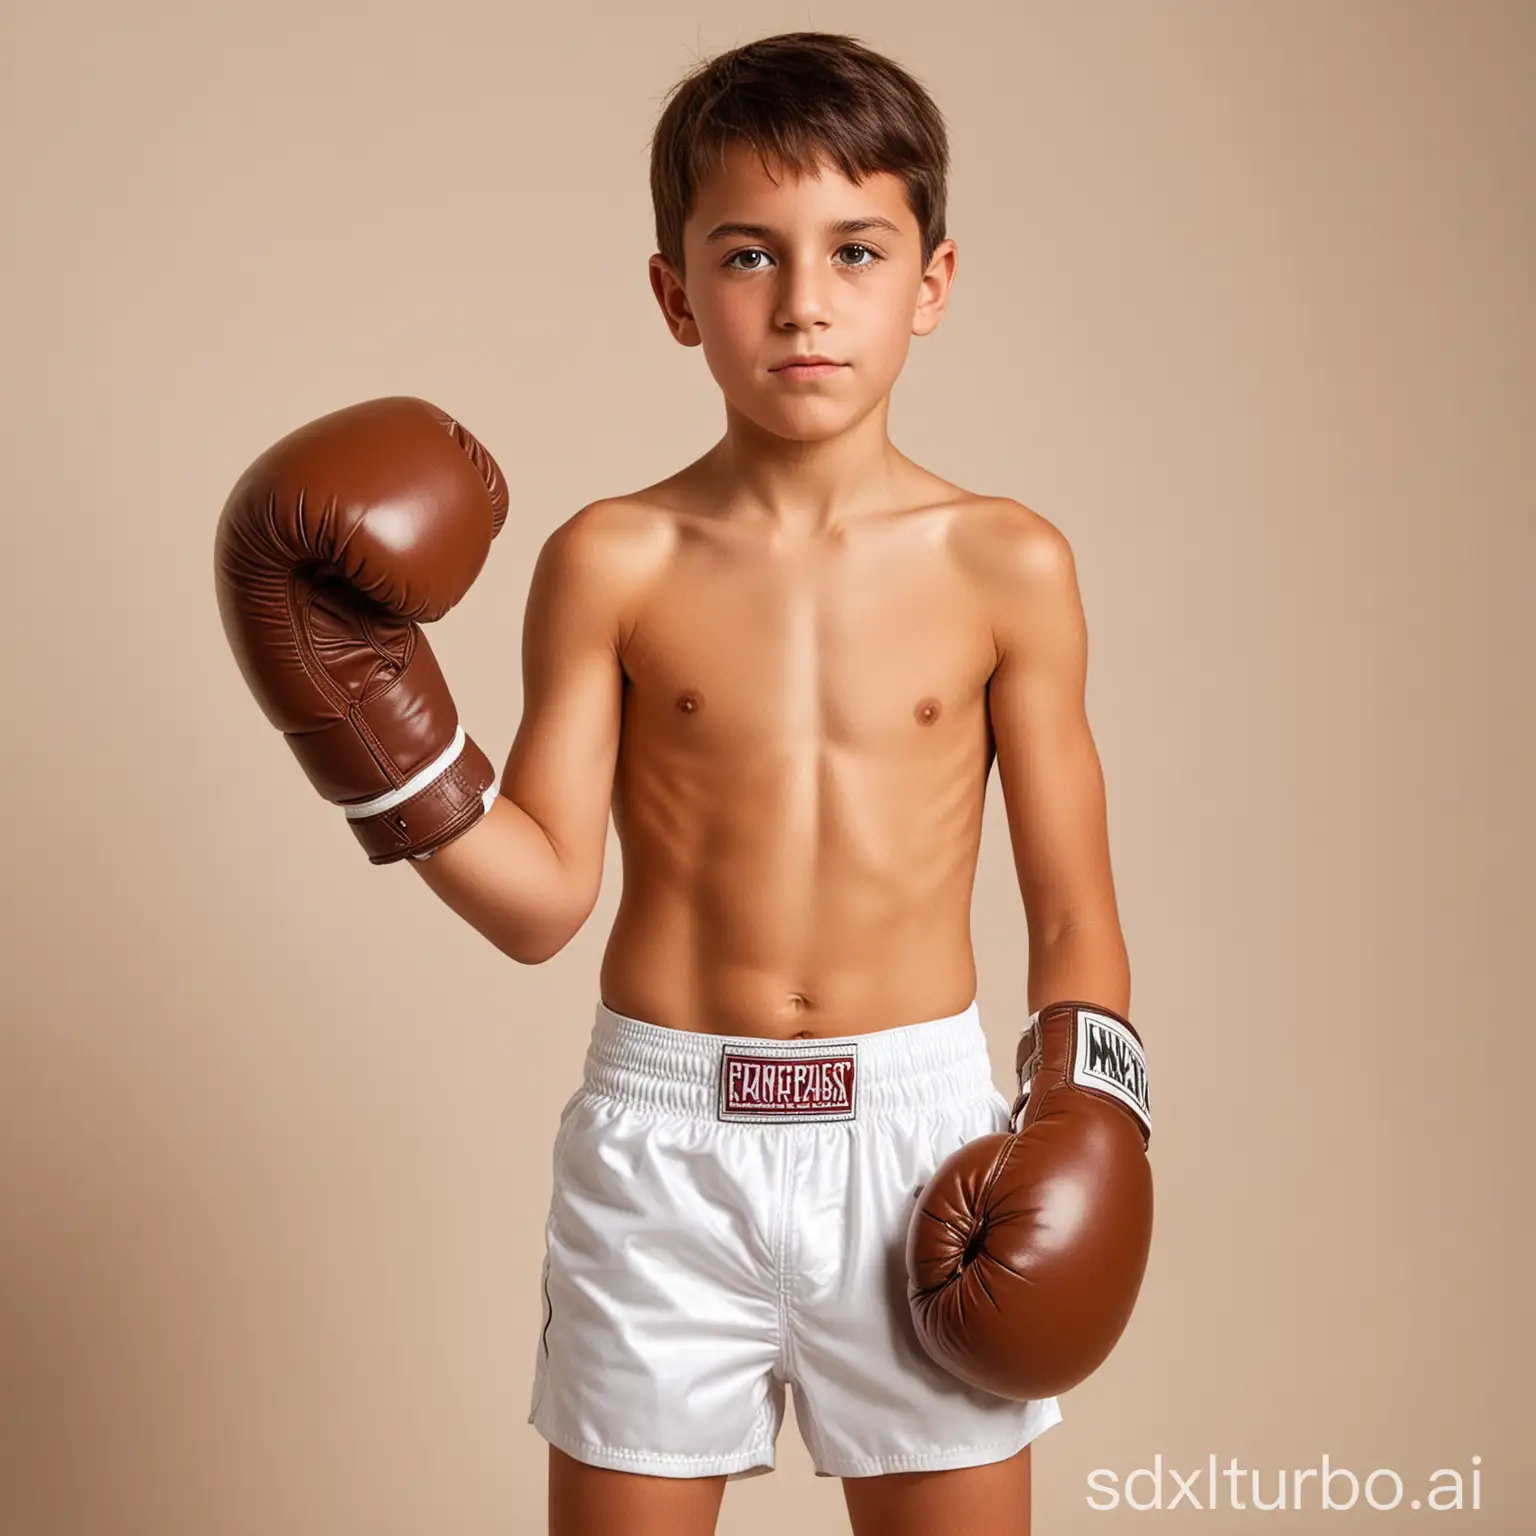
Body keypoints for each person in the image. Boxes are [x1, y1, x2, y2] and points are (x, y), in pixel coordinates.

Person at [215, 29, 1140, 1536]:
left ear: (934, 281)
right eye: (748, 256)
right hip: (668, 1142)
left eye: (855, 250)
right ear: (676, 294)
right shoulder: (610, 559)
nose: (805, 302)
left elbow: (1073, 912)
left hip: (922, 1145)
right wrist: (375, 739)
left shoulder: (1008, 566)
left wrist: (1095, 1126)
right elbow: (541, 903)